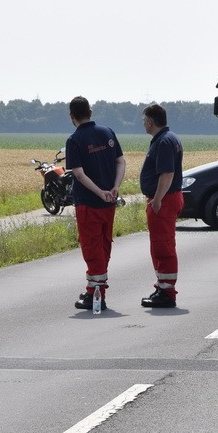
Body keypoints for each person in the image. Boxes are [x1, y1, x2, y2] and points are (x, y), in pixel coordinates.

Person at [66, 96, 126, 311]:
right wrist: (115, 187)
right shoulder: (107, 132)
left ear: (71, 116)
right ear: (90, 112)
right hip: (109, 202)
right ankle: (93, 290)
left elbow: (79, 174)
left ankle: (96, 294)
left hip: (89, 202)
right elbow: (121, 161)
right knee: (104, 244)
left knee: (92, 247)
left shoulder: (74, 140)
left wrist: (99, 192)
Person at [140, 103, 184, 308]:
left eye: (144, 120)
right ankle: (162, 287)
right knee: (160, 245)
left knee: (163, 246)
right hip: (167, 198)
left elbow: (167, 174)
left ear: (150, 121)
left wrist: (157, 199)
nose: (143, 124)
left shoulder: (164, 141)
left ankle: (167, 292)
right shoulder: (168, 138)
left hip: (164, 200)